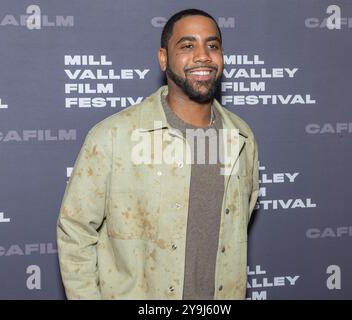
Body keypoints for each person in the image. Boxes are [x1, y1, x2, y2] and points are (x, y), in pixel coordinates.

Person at [57, 8, 259, 300]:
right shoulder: (114, 136)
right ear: (164, 58)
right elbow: (75, 233)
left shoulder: (241, 138)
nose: (203, 55)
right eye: (187, 46)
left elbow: (239, 221)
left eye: (212, 45)